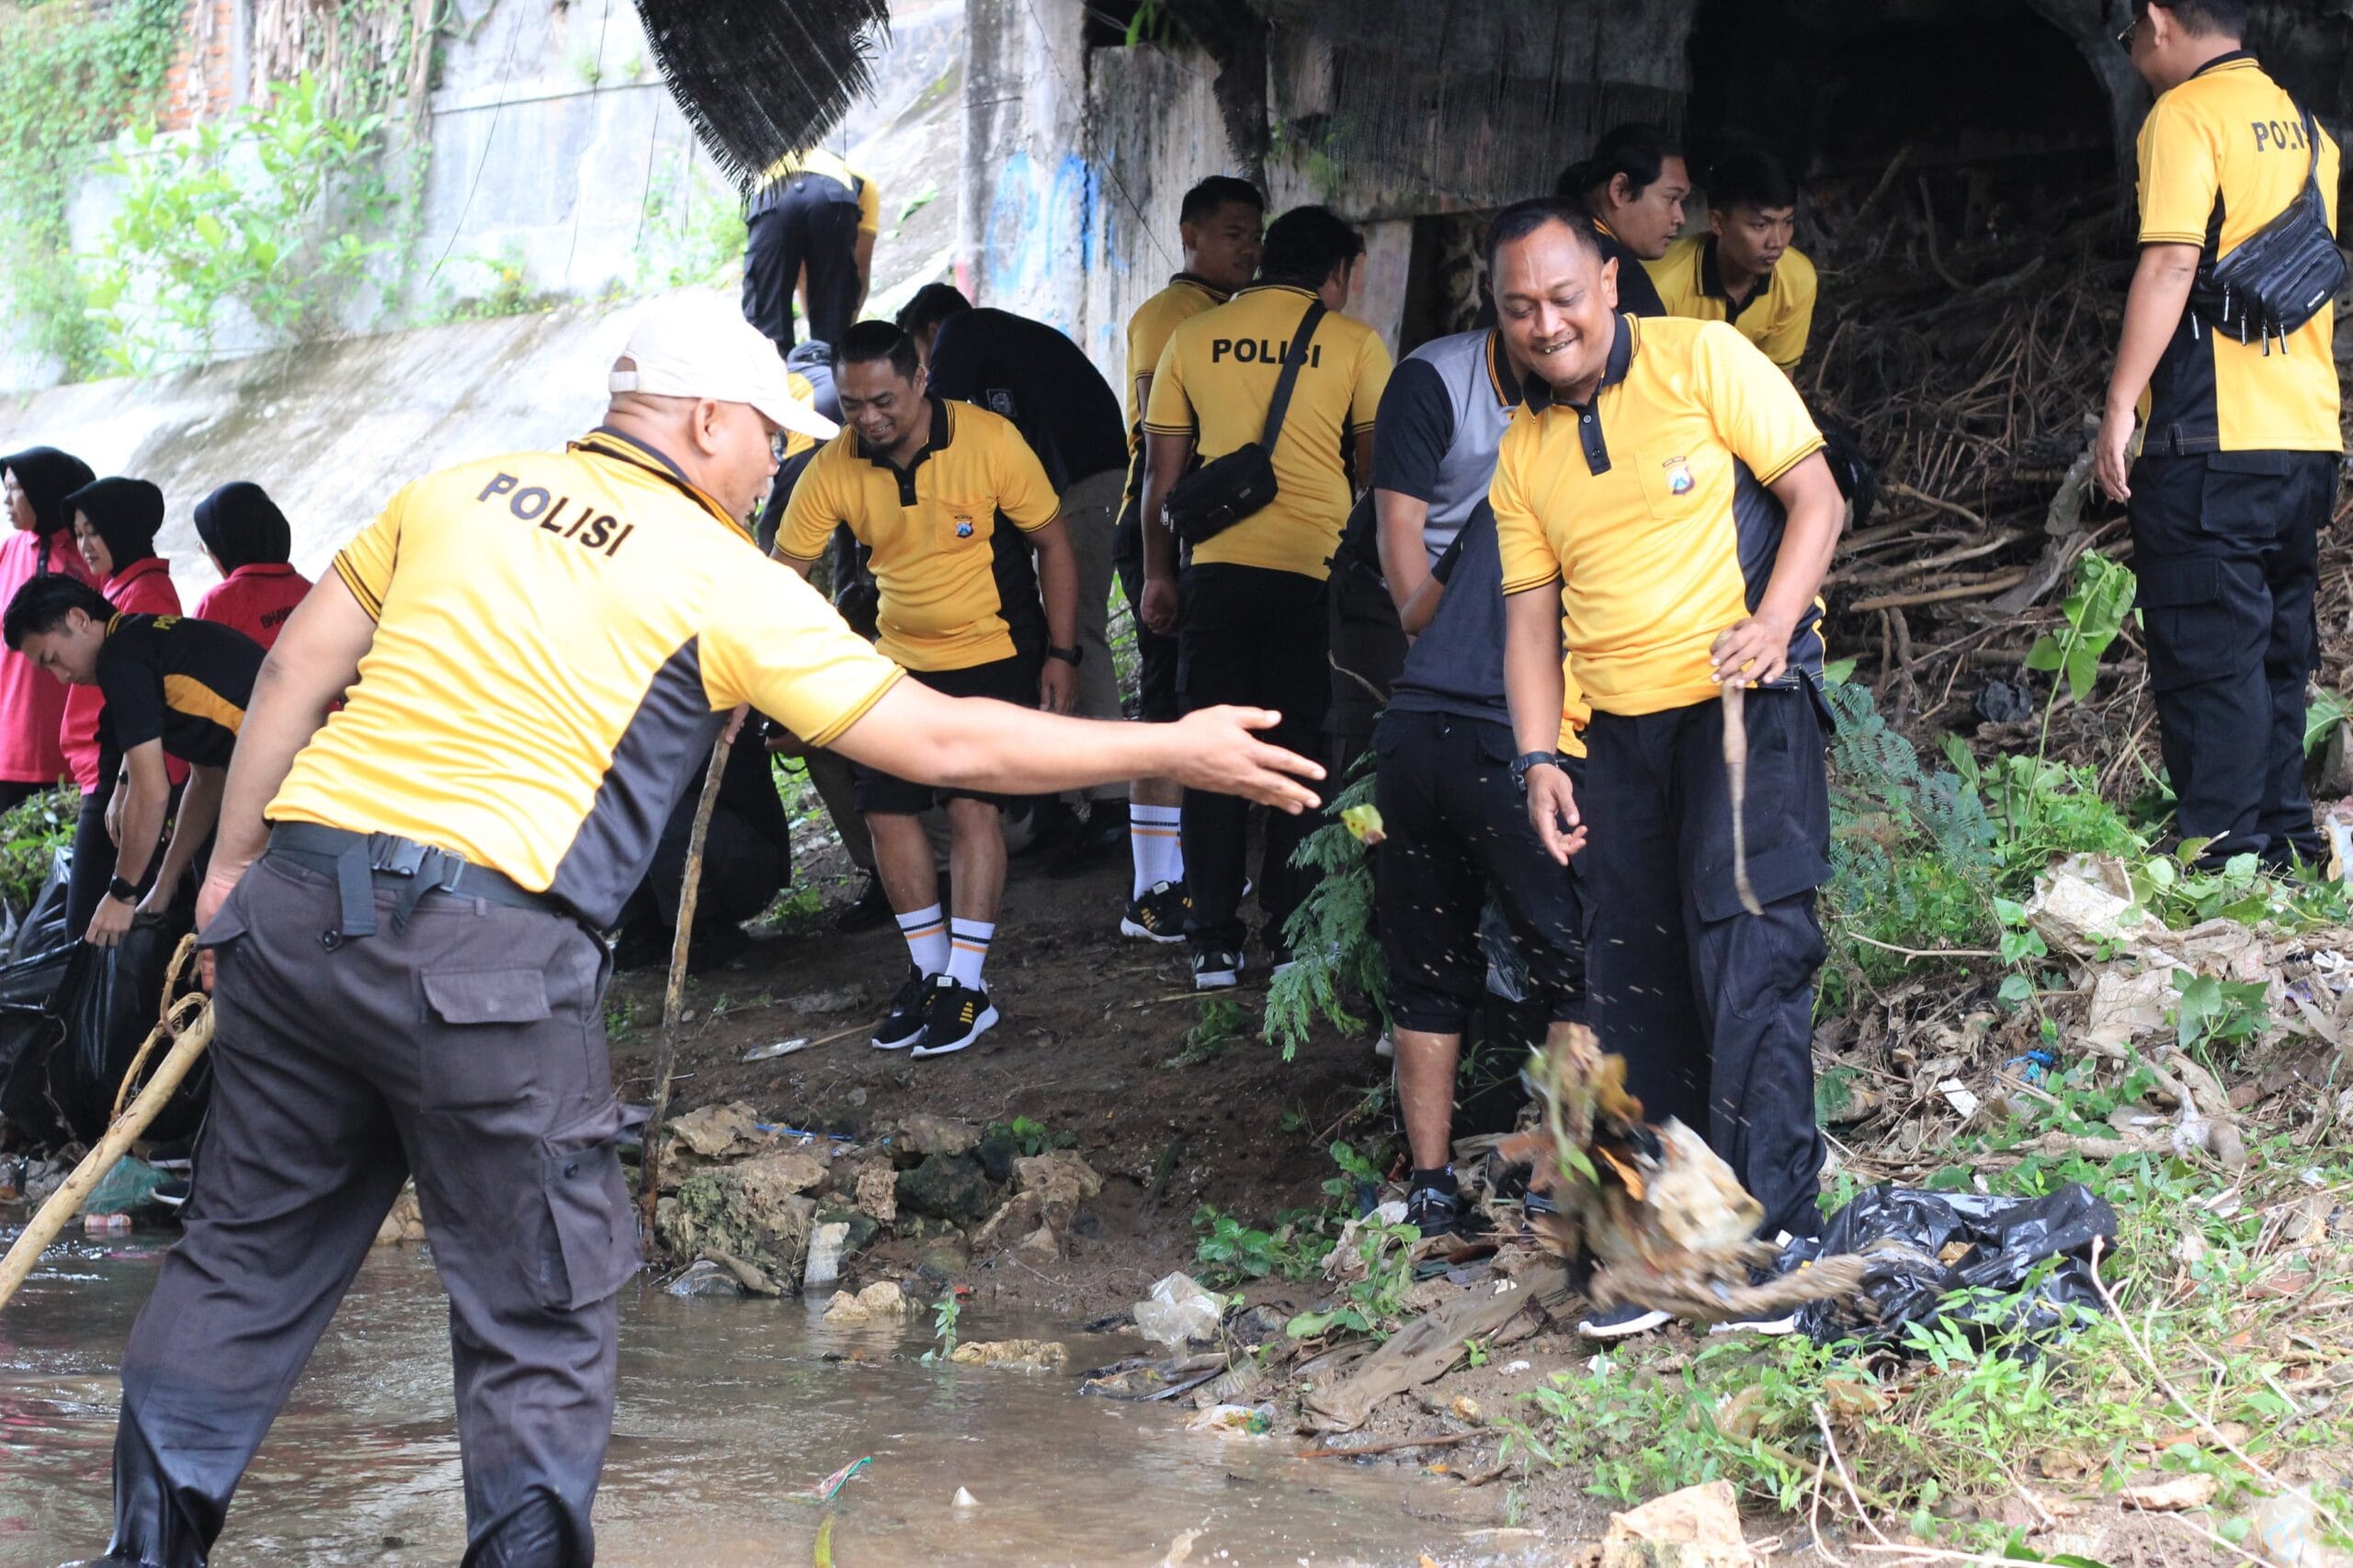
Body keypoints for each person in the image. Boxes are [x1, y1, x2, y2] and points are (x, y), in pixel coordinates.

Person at [79, 293, 1319, 1568]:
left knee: (239, 1262)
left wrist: (230, 876)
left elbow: (294, 674)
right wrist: (1170, 743)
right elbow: (942, 738)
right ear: (706, 418)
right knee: (540, 1312)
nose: (781, 460)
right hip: (481, 960)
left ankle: (143, 1550)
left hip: (297, 915)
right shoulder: (721, 575)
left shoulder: (461, 488)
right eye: (770, 437)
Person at [1489, 200, 1844, 1338]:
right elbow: (1530, 624)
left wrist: (1776, 623)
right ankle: (1656, 1249)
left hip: (1742, 708)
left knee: (1749, 960)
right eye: (1519, 309)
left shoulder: (1705, 356)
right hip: (1617, 743)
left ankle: (1765, 1240)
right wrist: (1539, 755)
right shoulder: (1523, 452)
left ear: (1607, 278)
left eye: (1561, 296)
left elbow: (1815, 499)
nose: (1545, 325)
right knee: (1632, 983)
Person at [775, 321, 1081, 1057]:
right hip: (897, 658)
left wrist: (1064, 654)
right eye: (851, 405)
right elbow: (783, 573)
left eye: (884, 400)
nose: (868, 419)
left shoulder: (990, 440)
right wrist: (797, 667)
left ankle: (968, 984)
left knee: (973, 805)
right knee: (885, 812)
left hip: (993, 647)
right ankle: (930, 974)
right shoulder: (834, 465)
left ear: (920, 380)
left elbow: (1054, 545)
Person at [2097, 0, 2339, 870]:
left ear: (2158, 17)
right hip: (2305, 440)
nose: (2130, 56)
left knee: (2211, 656)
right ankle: (2281, 844)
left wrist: (2121, 402)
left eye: (2125, 36)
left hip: (2211, 441)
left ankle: (2225, 862)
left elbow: (2171, 261)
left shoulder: (2185, 115)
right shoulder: (2311, 133)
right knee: (2277, 651)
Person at [1370, 308, 1590, 1238]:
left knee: (1428, 973)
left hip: (1412, 733)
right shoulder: (1589, 496)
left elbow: (1424, 601)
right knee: (1584, 963)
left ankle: (1428, 1186)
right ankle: (1554, 1173)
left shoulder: (1501, 494)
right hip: (1505, 744)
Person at [1141, 204, 1393, 989]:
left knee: (1210, 754)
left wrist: (1158, 573)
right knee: (1300, 757)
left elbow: (1162, 477)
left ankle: (1211, 938)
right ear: (1337, 272)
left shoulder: (1193, 336)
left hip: (1214, 573)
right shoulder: (1353, 343)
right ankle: (1290, 933)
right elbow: (1380, 477)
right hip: (1313, 578)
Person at [897, 281, 1133, 873]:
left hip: (1082, 484)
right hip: (1085, 478)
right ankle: (1071, 795)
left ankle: (1112, 807)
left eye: (915, 364)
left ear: (928, 333)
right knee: (1067, 629)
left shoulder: (961, 333)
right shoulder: (1007, 337)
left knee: (1077, 633)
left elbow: (938, 426)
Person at [1111, 175, 1265, 943]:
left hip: (1195, 531)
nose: (1249, 246)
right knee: (1169, 706)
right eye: (1233, 232)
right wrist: (1161, 564)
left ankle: (1185, 868)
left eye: (1255, 233)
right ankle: (1152, 889)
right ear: (1191, 235)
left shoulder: (1221, 315)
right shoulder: (1174, 317)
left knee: (1197, 697)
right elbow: (1167, 447)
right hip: (1164, 528)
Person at [3, 576, 263, 948]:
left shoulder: (119, 660)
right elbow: (207, 779)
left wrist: (121, 892)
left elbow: (152, 791)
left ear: (78, 618)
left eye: (53, 659)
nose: (61, 678)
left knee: (226, 917)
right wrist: (163, 884)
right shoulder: (141, 640)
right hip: (286, 768)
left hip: (289, 777)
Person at [57, 476, 184, 940]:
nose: (85, 545)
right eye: (79, 534)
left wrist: (126, 784)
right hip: (112, 772)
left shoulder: (146, 595)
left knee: (91, 927)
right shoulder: (123, 588)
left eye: (94, 531)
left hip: (123, 773)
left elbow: (149, 701)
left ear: (123, 528)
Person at [1647, 151, 1817, 372]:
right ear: (1718, 223)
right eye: (1761, 225)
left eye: (1787, 222)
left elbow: (1778, 382)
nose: (1777, 242)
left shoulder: (1797, 280)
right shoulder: (1661, 284)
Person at [0, 447, 97, 814]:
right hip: (10, 752)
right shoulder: (8, 552)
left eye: (14, 489)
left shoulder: (89, 554)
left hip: (75, 754)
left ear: (42, 490)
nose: (6, 501)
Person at [741, 146, 880, 352]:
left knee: (767, 330)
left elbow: (802, 276)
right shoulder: (859, 178)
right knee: (834, 335)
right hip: (834, 195)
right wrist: (843, 328)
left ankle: (776, 369)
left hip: (773, 196)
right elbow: (860, 270)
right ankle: (833, 359)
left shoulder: (769, 168)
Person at [1552, 123, 1688, 320]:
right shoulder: (1625, 282)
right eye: (1671, 199)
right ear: (1620, 190)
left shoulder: (1544, 231)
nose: (1680, 217)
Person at [191, 482, 312, 650]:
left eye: (207, 548)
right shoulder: (311, 591)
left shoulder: (217, 605)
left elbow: (192, 668)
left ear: (223, 546)